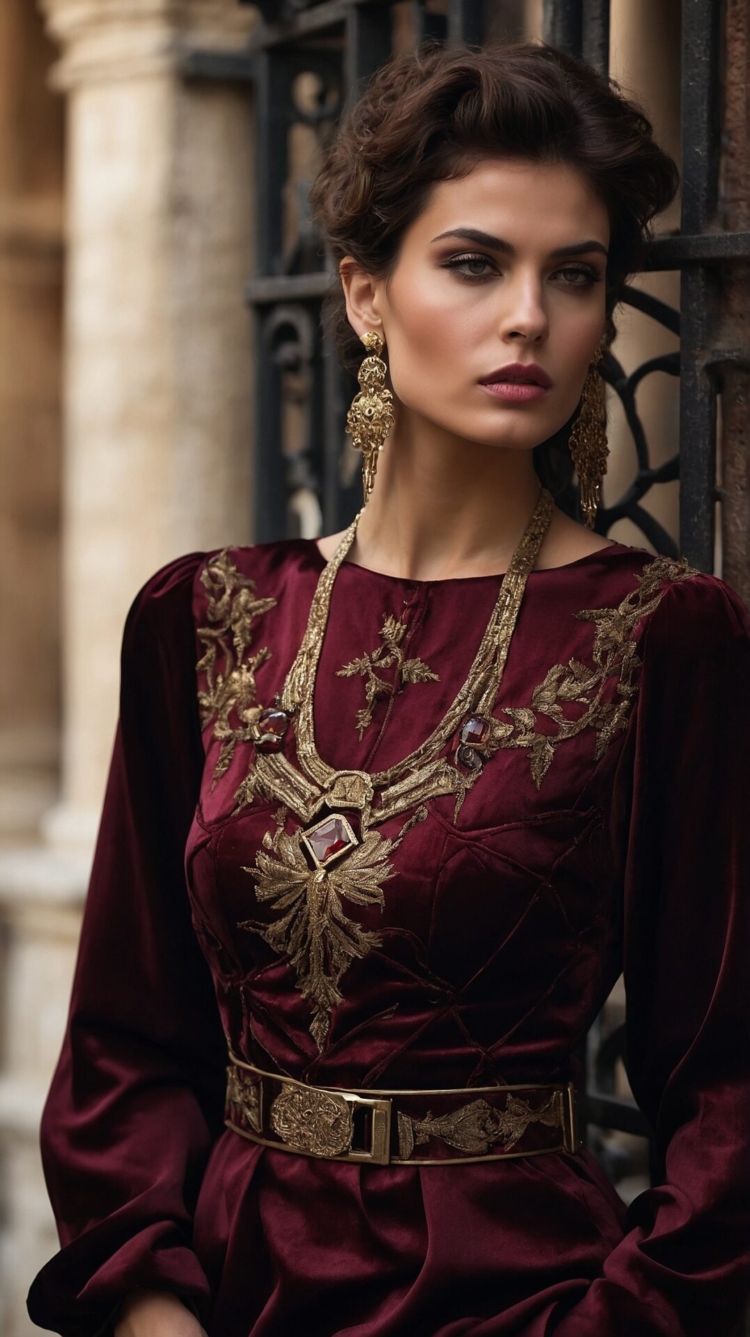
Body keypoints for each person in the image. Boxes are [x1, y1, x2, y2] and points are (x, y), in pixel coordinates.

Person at [27, 41, 750, 1337]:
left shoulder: (661, 638)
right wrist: (147, 1305)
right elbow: (125, 1041)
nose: (528, 315)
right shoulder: (202, 617)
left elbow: (729, 1091)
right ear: (365, 293)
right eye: (474, 263)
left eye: (572, 277)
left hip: (516, 1299)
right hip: (220, 1294)